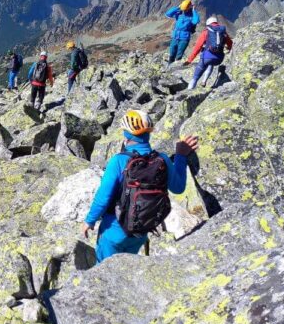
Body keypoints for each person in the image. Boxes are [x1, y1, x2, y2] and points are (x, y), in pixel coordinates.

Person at [81, 110, 199, 263]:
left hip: (113, 232)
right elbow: (178, 188)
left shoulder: (118, 161)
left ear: (127, 135)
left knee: (102, 276)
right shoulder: (162, 159)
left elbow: (103, 197)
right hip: (141, 232)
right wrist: (181, 156)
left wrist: (89, 221)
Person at [184, 16, 233, 89]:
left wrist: (190, 60)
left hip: (207, 57)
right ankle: (204, 81)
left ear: (208, 24)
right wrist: (228, 48)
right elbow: (230, 43)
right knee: (211, 63)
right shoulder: (222, 31)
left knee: (195, 77)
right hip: (219, 59)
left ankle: (189, 91)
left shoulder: (206, 32)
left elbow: (198, 47)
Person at [165, 0, 200, 67]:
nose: (184, 11)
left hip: (184, 38)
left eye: (185, 9)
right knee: (172, 53)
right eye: (183, 9)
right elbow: (168, 14)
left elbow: (196, 21)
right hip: (175, 36)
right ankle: (169, 66)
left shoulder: (192, 15)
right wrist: (178, 7)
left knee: (179, 54)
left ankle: (175, 68)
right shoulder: (179, 13)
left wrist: (193, 10)